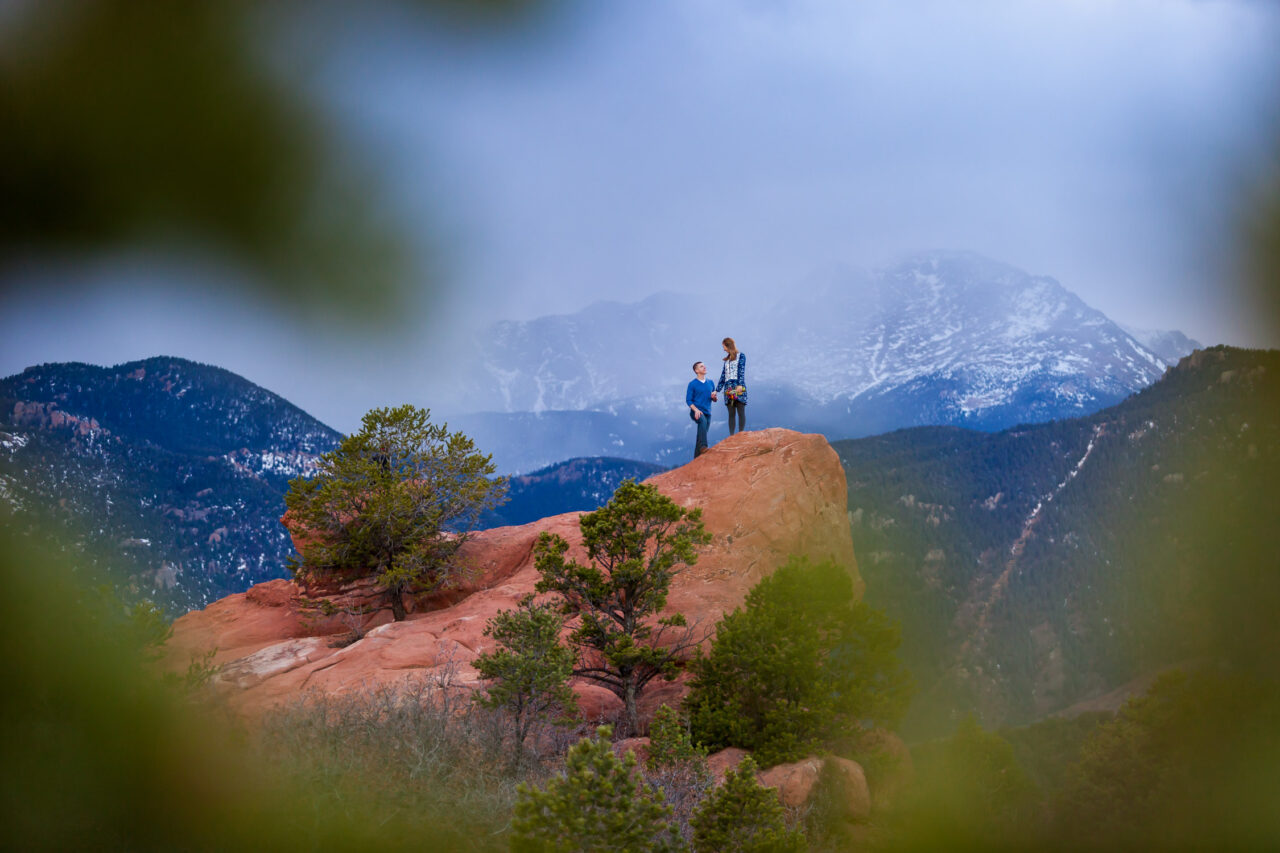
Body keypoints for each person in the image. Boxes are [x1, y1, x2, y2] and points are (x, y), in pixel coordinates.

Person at [716, 337, 747, 436]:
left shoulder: (741, 356)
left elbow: (741, 371)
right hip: (728, 388)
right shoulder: (726, 361)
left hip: (737, 385)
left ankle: (741, 433)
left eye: (724, 346)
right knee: (731, 413)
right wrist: (717, 390)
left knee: (740, 410)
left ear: (728, 345)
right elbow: (723, 376)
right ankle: (732, 436)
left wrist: (740, 385)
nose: (723, 349)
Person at [686, 361, 717, 458]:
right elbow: (688, 400)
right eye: (701, 366)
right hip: (696, 412)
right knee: (702, 422)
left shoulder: (711, 382)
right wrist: (696, 410)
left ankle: (696, 458)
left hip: (708, 412)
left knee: (701, 434)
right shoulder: (692, 384)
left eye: (704, 366)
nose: (704, 367)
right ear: (696, 370)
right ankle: (704, 446)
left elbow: (714, 399)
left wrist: (714, 397)